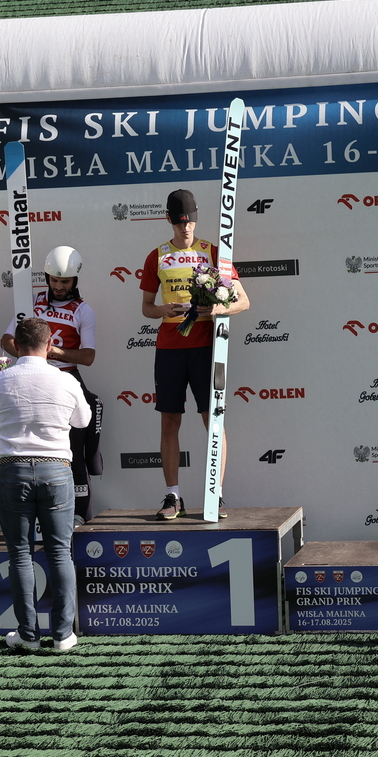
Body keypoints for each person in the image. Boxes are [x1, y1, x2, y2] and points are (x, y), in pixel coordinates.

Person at [0, 317, 91, 651]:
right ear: (50, 343)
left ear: (15, 345)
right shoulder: (66, 380)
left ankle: (28, 635)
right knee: (59, 552)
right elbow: (83, 420)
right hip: (56, 470)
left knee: (20, 554)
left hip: (12, 471)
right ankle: (63, 635)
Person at [140, 188, 249, 521]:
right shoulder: (157, 256)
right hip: (169, 349)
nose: (185, 228)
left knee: (212, 419)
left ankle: (215, 493)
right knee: (169, 421)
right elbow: (146, 308)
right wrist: (163, 310)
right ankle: (173, 496)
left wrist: (218, 308)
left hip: (206, 348)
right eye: (179, 222)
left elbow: (244, 300)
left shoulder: (214, 252)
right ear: (169, 220)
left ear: (196, 219)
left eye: (190, 221)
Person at [1, 246, 103, 523]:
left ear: (75, 280)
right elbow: (7, 339)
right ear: (46, 277)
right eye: (54, 280)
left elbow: (88, 356)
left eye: (65, 281)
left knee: (75, 453)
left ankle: (81, 517)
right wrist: (31, 355)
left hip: (66, 381)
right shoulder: (31, 303)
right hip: (32, 379)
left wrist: (53, 352)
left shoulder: (83, 311)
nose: (58, 286)